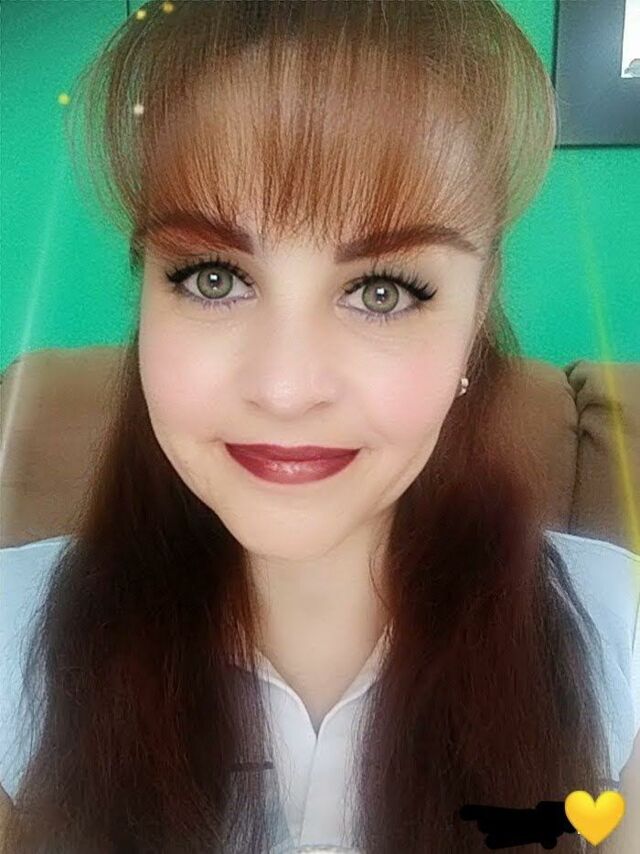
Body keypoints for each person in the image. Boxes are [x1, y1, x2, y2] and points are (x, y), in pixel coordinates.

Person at [1, 1, 638, 851]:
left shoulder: (619, 636)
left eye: (382, 291)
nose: (285, 388)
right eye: (214, 278)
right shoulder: (14, 632)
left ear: (474, 316)